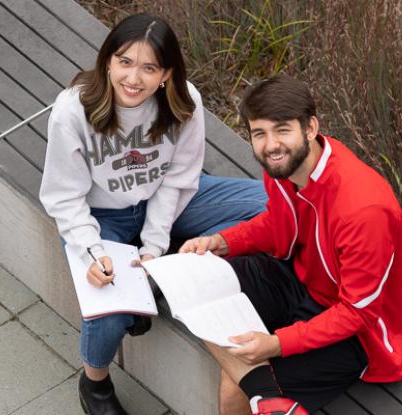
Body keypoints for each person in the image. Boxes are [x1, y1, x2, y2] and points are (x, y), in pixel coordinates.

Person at [39, 13, 266, 414]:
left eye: (149, 68)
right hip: (100, 215)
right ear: (107, 61)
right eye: (125, 62)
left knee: (265, 202)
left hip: (165, 200)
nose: (133, 78)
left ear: (165, 73)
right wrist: (92, 253)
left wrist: (156, 245)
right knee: (106, 308)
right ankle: (95, 384)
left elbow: (179, 179)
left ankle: (160, 277)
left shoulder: (183, 102)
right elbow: (63, 197)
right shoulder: (73, 111)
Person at [179, 76, 402, 414]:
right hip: (301, 279)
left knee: (236, 386)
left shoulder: (362, 209)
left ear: (310, 127)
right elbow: (277, 222)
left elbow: (358, 313)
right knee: (199, 282)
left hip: (360, 332)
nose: (271, 145)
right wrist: (223, 242)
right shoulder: (284, 167)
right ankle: (271, 398)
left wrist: (276, 344)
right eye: (260, 134)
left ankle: (268, 398)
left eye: (282, 130)